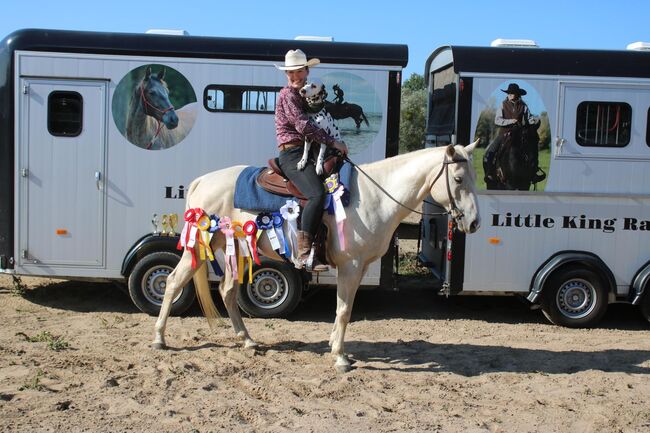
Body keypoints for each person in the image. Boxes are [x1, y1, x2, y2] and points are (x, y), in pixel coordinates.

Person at [275, 49, 348, 272]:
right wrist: (334, 143)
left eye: (298, 72)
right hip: (292, 154)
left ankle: (326, 248)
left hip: (312, 151)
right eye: (290, 74)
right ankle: (305, 254)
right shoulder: (288, 95)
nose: (295, 77)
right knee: (317, 194)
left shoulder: (307, 95)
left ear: (307, 71)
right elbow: (303, 126)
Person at [483, 83, 545, 185]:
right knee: (491, 150)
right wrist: (510, 121)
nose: (511, 95)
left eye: (513, 93)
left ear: (517, 94)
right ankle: (490, 173)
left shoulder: (523, 106)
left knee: (531, 150)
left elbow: (529, 119)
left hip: (520, 133)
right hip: (504, 134)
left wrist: (534, 121)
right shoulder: (503, 105)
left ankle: (534, 173)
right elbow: (497, 120)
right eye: (509, 93)